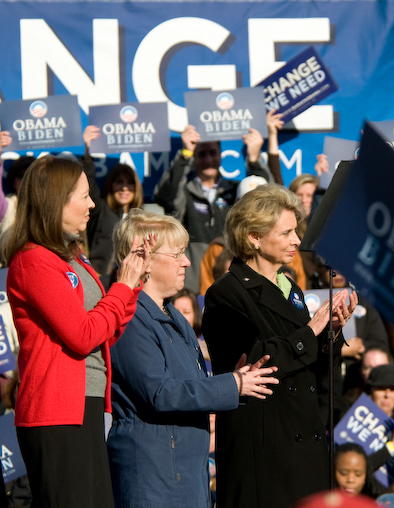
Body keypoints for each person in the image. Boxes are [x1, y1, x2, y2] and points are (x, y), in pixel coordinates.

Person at [3, 155, 150, 507]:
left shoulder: (73, 256)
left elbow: (103, 333)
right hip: (55, 411)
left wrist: (133, 285)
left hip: (88, 404)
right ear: (56, 200)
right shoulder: (33, 259)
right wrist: (122, 288)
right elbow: (82, 335)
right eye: (83, 195)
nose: (92, 203)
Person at [106, 209, 278, 508]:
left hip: (183, 473)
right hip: (154, 474)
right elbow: (159, 393)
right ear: (143, 259)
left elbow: (189, 386)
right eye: (177, 254)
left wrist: (236, 379)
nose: (186, 261)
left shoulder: (174, 315)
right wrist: (231, 385)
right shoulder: (129, 317)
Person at [202, 184, 357, 508]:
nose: (297, 241)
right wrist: (312, 329)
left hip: (303, 445)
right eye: (286, 233)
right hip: (265, 452)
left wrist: (331, 331)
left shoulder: (292, 288)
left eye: (296, 231)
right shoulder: (226, 293)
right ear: (254, 237)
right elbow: (250, 364)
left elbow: (311, 367)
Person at [154, 123, 277, 293]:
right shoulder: (185, 192)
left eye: (213, 153)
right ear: (194, 158)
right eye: (201, 154)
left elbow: (268, 199)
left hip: (232, 278)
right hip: (193, 283)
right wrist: (185, 155)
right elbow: (164, 195)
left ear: (221, 155)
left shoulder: (236, 189)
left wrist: (254, 158)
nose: (208, 159)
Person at [83, 125, 145, 278]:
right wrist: (87, 151)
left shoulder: (143, 218)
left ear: (136, 187)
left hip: (133, 280)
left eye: (129, 182)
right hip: (101, 277)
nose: (124, 188)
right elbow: (88, 181)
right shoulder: (101, 209)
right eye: (119, 182)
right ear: (110, 185)